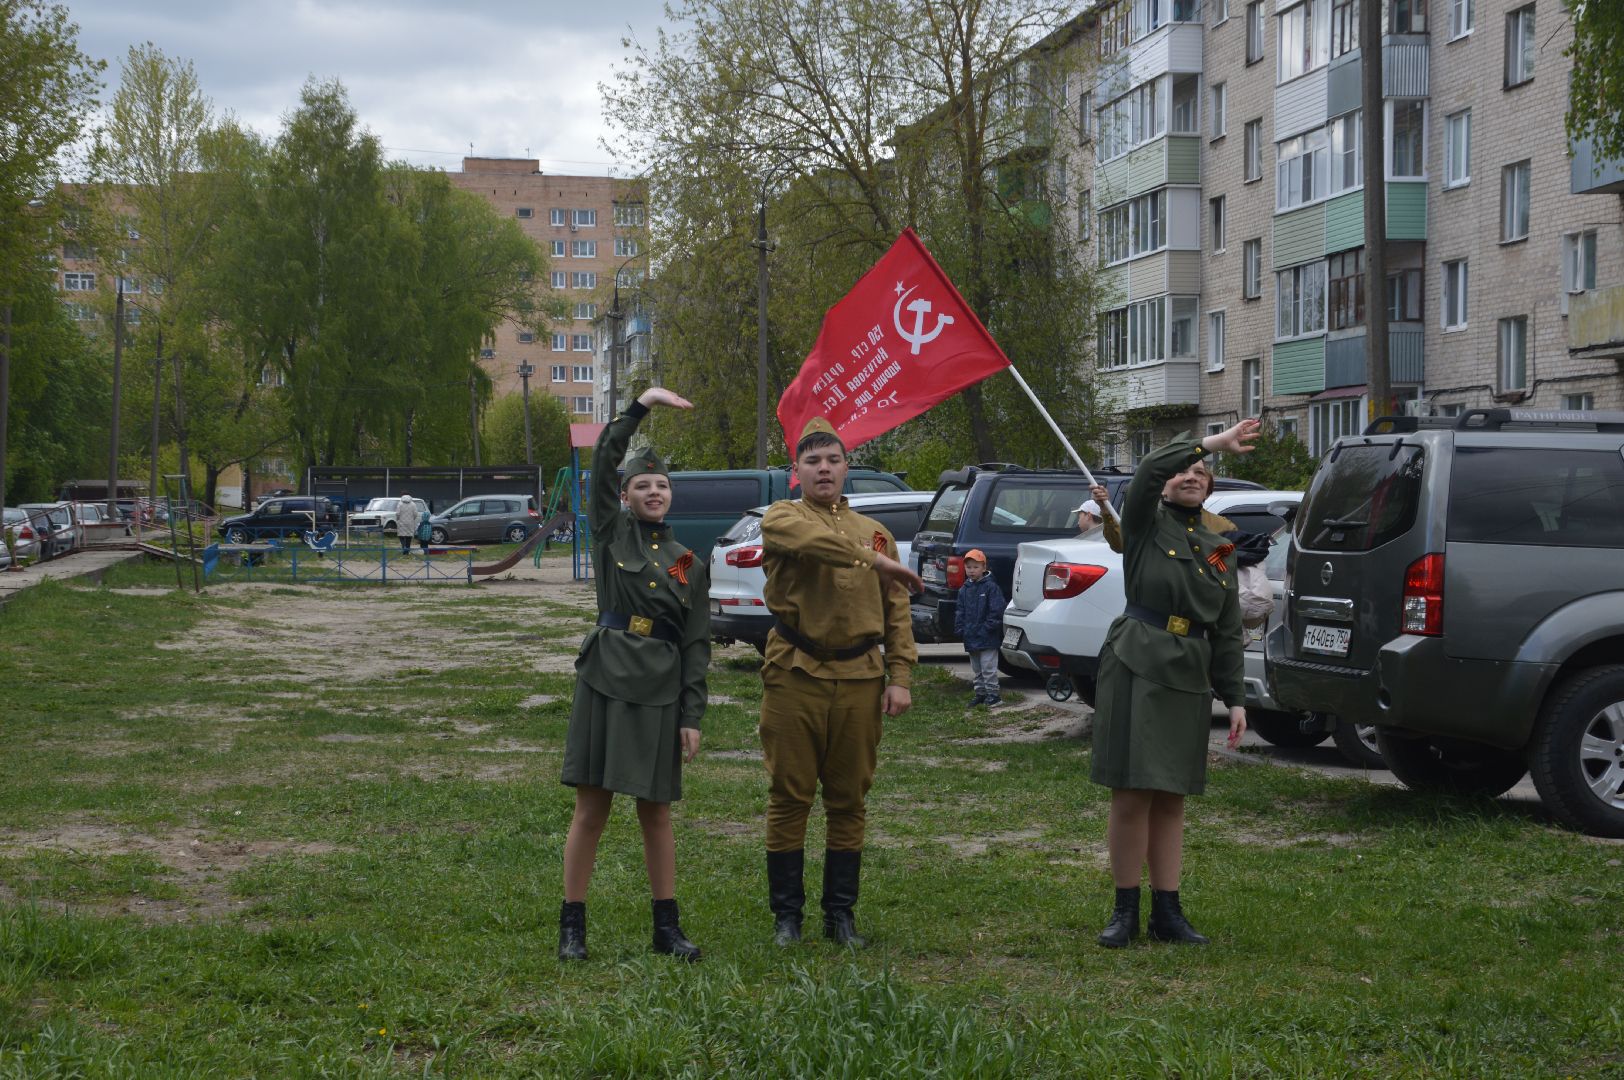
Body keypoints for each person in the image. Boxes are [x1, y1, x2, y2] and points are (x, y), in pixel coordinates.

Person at [1092, 420, 1258, 949]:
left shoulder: (1219, 545)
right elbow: (1147, 468)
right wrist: (1208, 443)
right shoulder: (1142, 521)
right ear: (1166, 482)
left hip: (1189, 669)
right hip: (1138, 658)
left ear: (1210, 487)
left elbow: (1227, 626)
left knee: (1171, 796)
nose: (1192, 474)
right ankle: (1125, 910)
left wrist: (1235, 697)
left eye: (1201, 472)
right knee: (1132, 791)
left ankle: (1168, 911)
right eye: (1184, 469)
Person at [557, 387, 710, 963]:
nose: (653, 492)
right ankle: (573, 925)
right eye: (642, 485)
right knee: (591, 809)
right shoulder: (610, 534)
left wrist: (692, 715)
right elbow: (600, 463)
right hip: (605, 678)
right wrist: (640, 406)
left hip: (660, 690)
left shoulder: (687, 562)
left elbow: (696, 645)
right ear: (625, 496)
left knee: (657, 811)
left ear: (671, 495)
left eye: (662, 485)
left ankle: (665, 928)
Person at [758, 417, 922, 948]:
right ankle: (788, 918)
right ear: (795, 472)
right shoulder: (783, 517)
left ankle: (840, 916)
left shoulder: (878, 532)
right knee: (790, 795)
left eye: (832, 459)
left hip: (859, 678)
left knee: (849, 799)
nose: (823, 469)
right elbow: (814, 542)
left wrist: (900, 675)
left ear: (846, 467)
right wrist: (873, 559)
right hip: (795, 672)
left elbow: (897, 609)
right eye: (812, 461)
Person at [1093, 474, 1235, 556]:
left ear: (1208, 492)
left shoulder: (1224, 526)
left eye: (1199, 473)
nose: (1191, 479)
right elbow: (1121, 544)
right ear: (1163, 489)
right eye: (1182, 473)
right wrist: (1105, 509)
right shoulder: (1148, 521)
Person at [953, 548, 1006, 707]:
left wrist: (987, 628)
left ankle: (994, 695)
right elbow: (960, 610)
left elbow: (997, 611)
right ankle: (980, 693)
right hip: (970, 636)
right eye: (968, 567)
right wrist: (960, 628)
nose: (971, 570)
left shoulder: (991, 588)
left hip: (987, 636)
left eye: (975, 567)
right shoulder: (964, 590)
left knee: (988, 667)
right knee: (977, 668)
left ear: (984, 568)